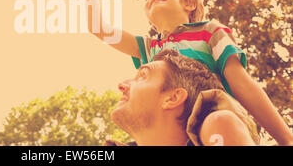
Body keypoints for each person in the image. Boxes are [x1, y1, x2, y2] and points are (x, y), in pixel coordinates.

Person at [73, 0, 293, 145]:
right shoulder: (150, 48)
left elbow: (242, 83)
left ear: (188, 2)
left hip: (209, 119)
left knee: (217, 123)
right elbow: (98, 27)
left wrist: (285, 138)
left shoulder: (210, 32)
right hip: (167, 130)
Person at [106, 49, 258, 146]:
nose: (121, 85)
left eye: (142, 76)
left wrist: (221, 125)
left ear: (172, 98)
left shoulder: (218, 125)